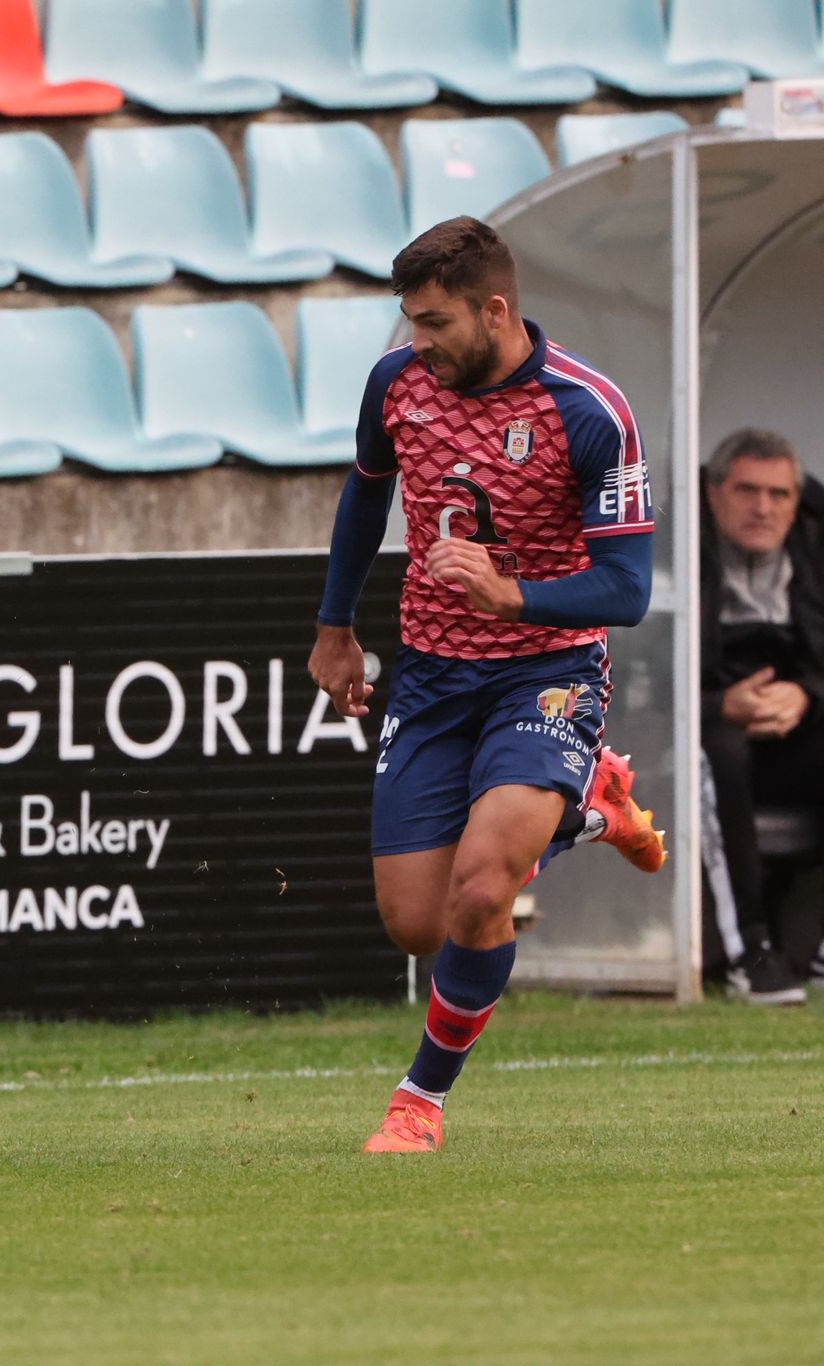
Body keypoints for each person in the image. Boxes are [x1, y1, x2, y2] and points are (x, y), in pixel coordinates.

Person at [307, 216, 665, 1155]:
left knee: (479, 891)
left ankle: (418, 1100)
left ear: (494, 309)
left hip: (547, 673)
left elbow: (628, 589)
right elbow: (364, 496)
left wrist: (513, 596)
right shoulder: (396, 384)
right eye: (410, 323)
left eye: (432, 323)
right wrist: (334, 627)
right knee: (420, 924)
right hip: (431, 675)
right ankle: (589, 812)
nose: (417, 343)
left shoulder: (587, 409)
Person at [699, 427, 824, 1006]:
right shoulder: (673, 547)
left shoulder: (814, 549)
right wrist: (714, 705)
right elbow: (640, 677)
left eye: (779, 494)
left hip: (792, 728)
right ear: (714, 492)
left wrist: (806, 694)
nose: (763, 507)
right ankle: (746, 950)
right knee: (714, 750)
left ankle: (813, 945)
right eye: (747, 490)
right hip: (700, 738)